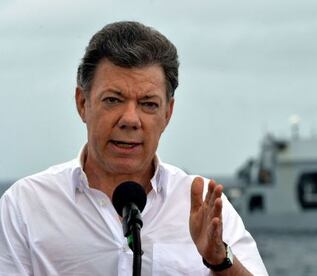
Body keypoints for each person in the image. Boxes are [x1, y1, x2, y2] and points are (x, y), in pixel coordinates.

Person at [0, 21, 268, 275]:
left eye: (148, 104)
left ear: (167, 114)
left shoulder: (205, 207)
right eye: (113, 100)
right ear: (82, 103)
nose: (130, 119)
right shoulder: (25, 206)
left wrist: (219, 260)